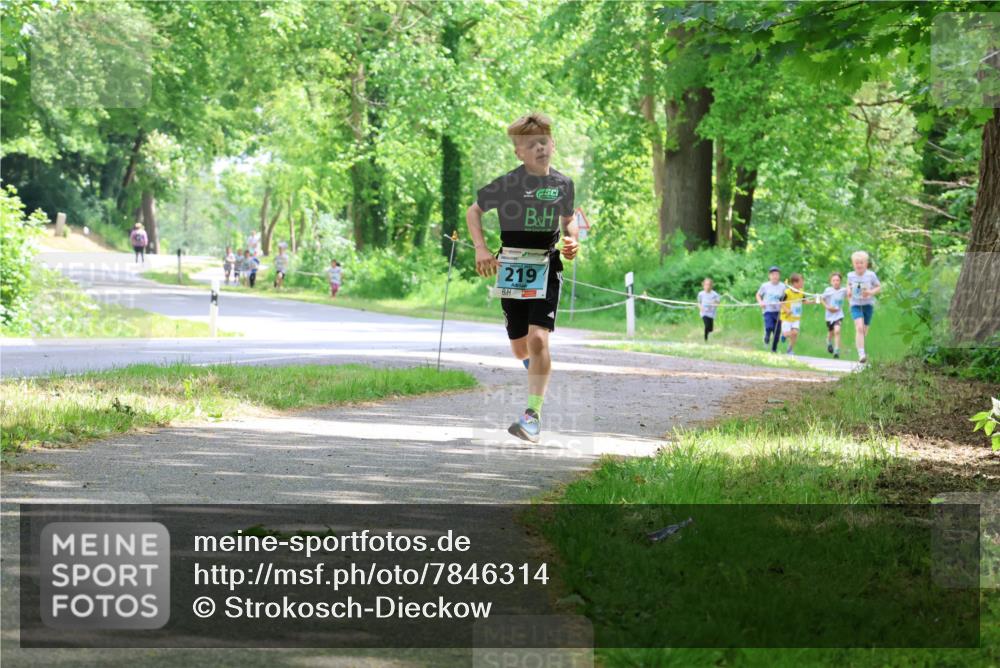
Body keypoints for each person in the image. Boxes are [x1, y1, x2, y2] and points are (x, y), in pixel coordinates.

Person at [466, 112, 578, 444]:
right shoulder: (507, 184)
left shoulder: (562, 184)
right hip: (511, 268)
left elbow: (569, 220)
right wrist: (481, 249)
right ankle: (538, 369)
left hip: (546, 266)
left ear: (553, 144)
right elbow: (474, 211)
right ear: (519, 152)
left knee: (539, 340)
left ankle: (532, 416)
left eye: (544, 141)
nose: (539, 148)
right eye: (531, 145)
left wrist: (572, 240)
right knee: (520, 349)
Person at [846, 250, 881, 363]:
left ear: (866, 264)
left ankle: (859, 345)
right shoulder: (850, 275)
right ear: (853, 264)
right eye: (856, 263)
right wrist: (849, 292)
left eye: (861, 262)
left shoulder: (871, 275)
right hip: (855, 305)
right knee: (859, 328)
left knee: (864, 330)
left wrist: (870, 292)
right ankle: (861, 354)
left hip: (868, 305)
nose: (859, 265)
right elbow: (848, 286)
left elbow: (878, 287)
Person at [756, 266, 786, 353]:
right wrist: (761, 302)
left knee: (777, 331)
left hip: (778, 311)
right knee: (769, 326)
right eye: (773, 274)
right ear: (769, 276)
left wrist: (783, 304)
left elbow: (786, 298)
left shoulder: (783, 287)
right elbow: (758, 295)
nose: (775, 276)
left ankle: (774, 349)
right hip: (767, 310)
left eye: (777, 274)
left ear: (779, 276)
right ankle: (767, 336)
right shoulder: (765, 286)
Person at [779, 273, 807, 355]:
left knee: (795, 333)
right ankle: (783, 335)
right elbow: (781, 302)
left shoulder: (801, 292)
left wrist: (815, 301)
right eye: (801, 281)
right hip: (786, 317)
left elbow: (805, 301)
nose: (803, 283)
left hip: (796, 317)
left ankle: (790, 349)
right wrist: (787, 310)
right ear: (795, 283)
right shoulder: (787, 292)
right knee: (787, 333)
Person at [821, 272, 847, 359]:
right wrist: (828, 307)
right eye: (834, 280)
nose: (836, 282)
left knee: (837, 331)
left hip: (839, 315)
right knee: (830, 332)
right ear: (831, 282)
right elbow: (822, 299)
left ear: (840, 281)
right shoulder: (828, 290)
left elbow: (850, 295)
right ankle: (828, 341)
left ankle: (836, 350)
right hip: (829, 316)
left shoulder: (843, 291)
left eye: (838, 280)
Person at [696, 277, 721, 342]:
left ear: (711, 286)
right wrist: (700, 308)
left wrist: (714, 303)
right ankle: (705, 339)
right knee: (706, 325)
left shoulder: (715, 294)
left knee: (710, 329)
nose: (707, 286)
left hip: (711, 313)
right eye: (706, 284)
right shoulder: (700, 294)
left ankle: (708, 334)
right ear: (703, 285)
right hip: (704, 313)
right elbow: (698, 303)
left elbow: (718, 302)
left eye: (709, 285)